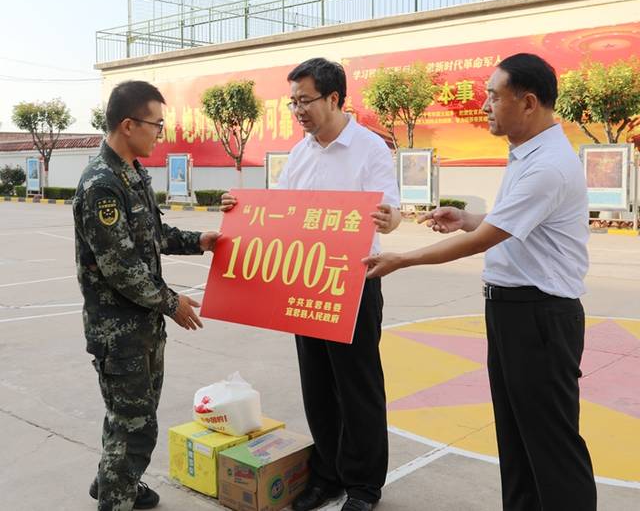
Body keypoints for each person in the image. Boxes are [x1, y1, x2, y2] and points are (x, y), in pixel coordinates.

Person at [364, 53, 597, 511]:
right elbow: (509, 225)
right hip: (514, 312)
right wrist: (470, 217)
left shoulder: (546, 165)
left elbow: (486, 241)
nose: (485, 105)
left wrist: (401, 259)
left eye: (494, 95)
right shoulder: (528, 154)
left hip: (539, 317)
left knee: (551, 443)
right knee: (516, 437)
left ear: (528, 102)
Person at [221, 58, 401, 511]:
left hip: (353, 287)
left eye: (305, 100)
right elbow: (278, 213)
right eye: (293, 102)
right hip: (305, 285)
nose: (298, 110)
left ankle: (364, 486)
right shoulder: (300, 153)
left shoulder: (370, 149)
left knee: (357, 387)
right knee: (317, 386)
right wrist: (239, 209)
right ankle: (328, 474)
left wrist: (388, 217)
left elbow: (392, 211)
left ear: (335, 98)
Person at [73, 80, 220, 511]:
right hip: (119, 331)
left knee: (129, 416)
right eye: (156, 124)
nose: (161, 133)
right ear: (127, 124)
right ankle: (116, 497)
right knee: (135, 427)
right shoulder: (102, 184)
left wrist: (200, 241)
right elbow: (121, 268)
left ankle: (114, 482)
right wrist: (173, 303)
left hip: (141, 326)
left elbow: (153, 236)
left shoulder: (132, 172)